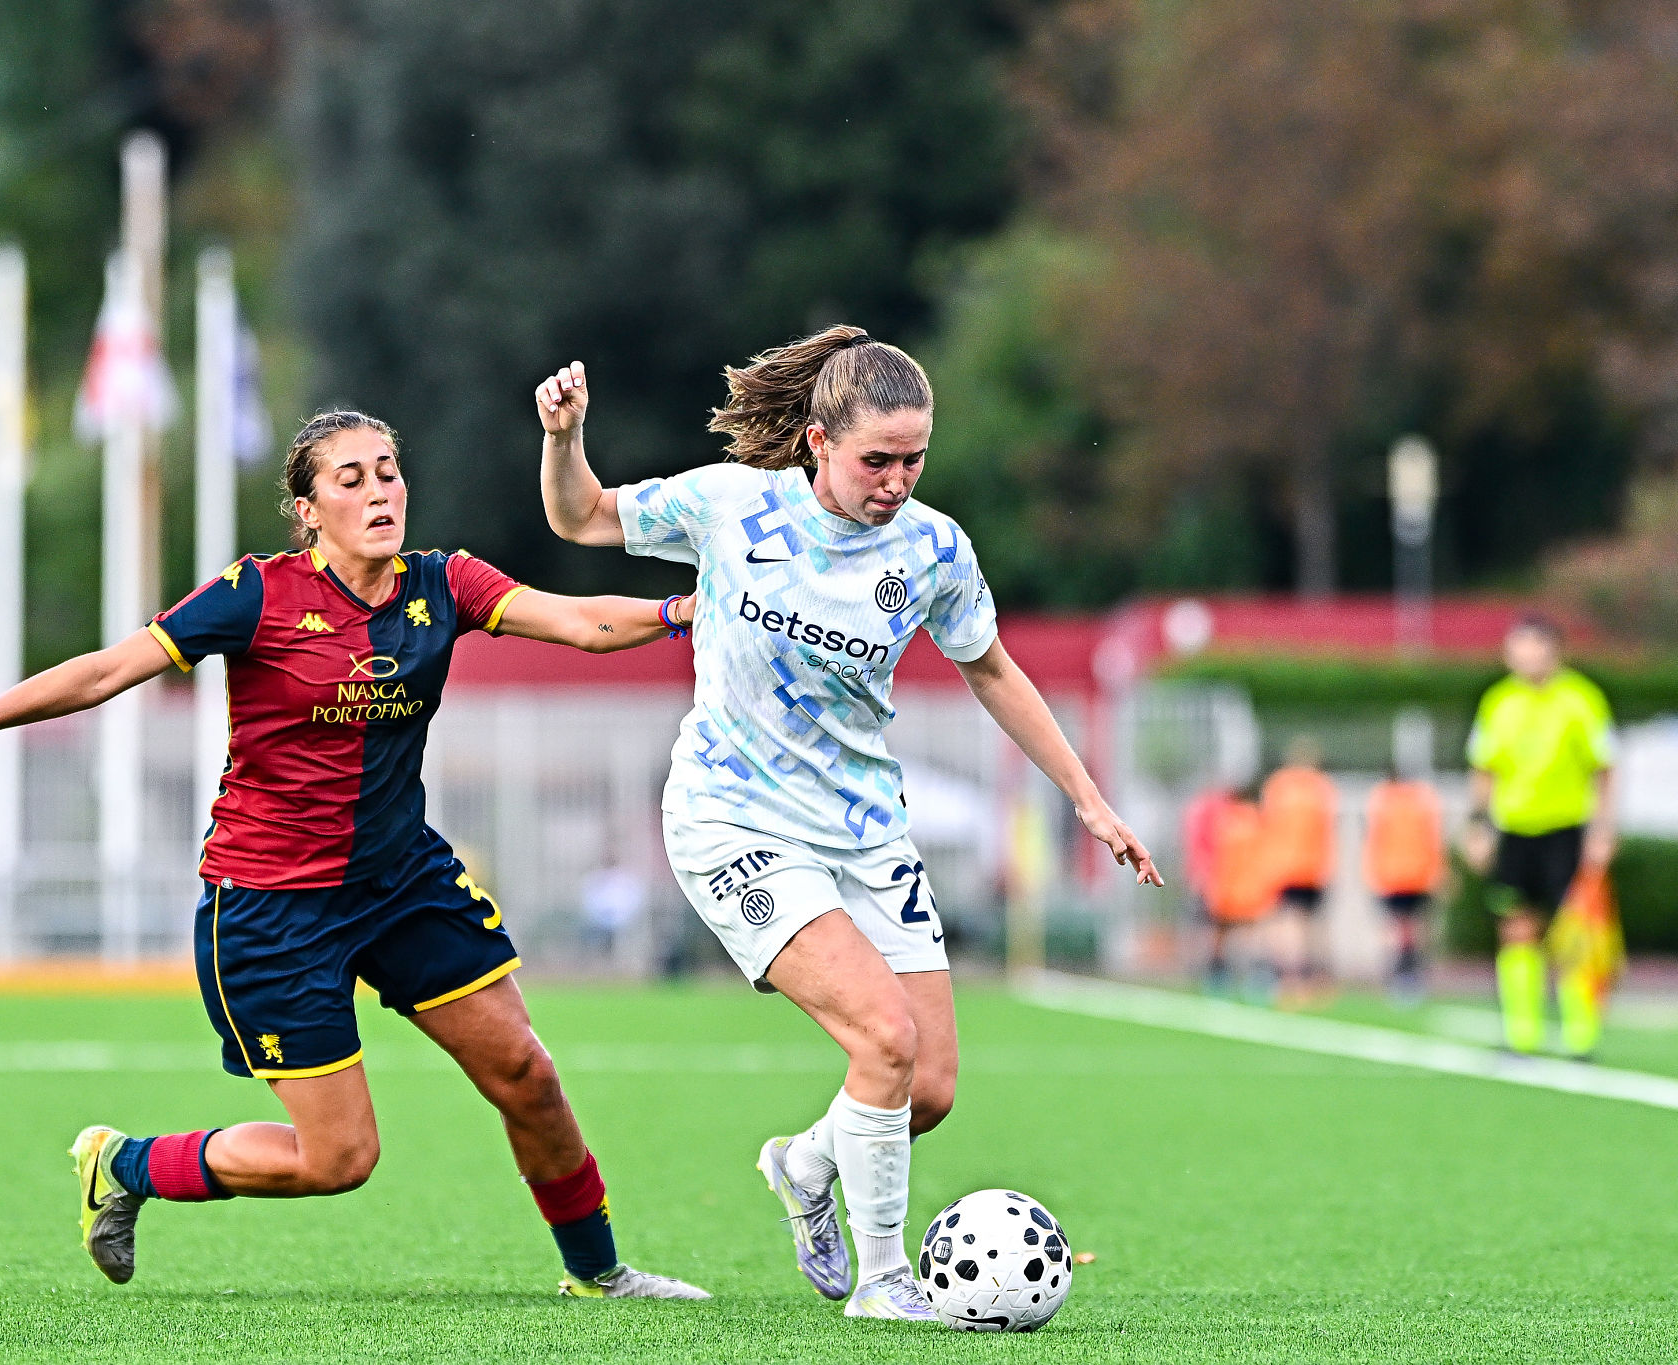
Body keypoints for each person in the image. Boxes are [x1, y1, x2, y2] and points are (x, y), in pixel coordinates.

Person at [0, 411, 708, 1301]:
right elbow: (109, 671)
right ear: (308, 510)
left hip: (403, 882)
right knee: (339, 1158)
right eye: (351, 479)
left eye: (388, 471)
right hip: (273, 905)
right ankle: (126, 1163)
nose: (379, 492)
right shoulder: (255, 594)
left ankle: (598, 1273)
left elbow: (578, 622)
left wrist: (680, 611)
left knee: (527, 1074)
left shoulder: (445, 583)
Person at [533, 330, 1161, 1322]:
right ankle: (882, 1282)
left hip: (865, 831)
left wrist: (1086, 796)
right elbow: (581, 516)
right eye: (877, 460)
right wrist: (564, 439)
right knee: (882, 1036)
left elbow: (991, 668)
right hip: (735, 818)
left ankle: (805, 1163)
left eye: (914, 459)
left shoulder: (933, 548)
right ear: (819, 442)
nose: (896, 482)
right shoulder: (731, 504)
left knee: (928, 1086)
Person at [1464, 614, 1616, 1058]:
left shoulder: (1582, 699)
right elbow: (1484, 769)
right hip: (1515, 830)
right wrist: (1479, 825)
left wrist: (1602, 829)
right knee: (1515, 926)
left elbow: (1604, 768)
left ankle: (1580, 1035)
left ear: (1555, 651)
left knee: (1573, 932)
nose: (1527, 657)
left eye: (1536, 647)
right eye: (1519, 648)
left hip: (1565, 830)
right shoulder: (1497, 701)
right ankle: (1521, 1035)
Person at [1260, 736, 1338, 1005]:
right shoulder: (1320, 787)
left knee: (1289, 922)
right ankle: (1304, 975)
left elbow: (1268, 825)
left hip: (1284, 865)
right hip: (1311, 866)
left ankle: (1290, 975)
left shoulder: (1278, 786)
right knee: (1306, 923)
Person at [1184, 784, 1276, 998]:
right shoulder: (1253, 821)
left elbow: (1209, 854)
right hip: (1246, 888)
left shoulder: (1224, 820)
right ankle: (1253, 978)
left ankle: (1220, 977)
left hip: (1225, 888)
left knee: (1223, 933)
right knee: (1249, 935)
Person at [1363, 766, 1444, 1003]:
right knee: (1414, 926)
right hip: (1417, 874)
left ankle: (1397, 972)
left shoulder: (1382, 801)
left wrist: (1372, 873)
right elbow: (1433, 840)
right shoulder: (1422, 801)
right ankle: (1412, 972)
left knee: (1395, 926)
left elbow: (1374, 840)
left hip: (1391, 875)